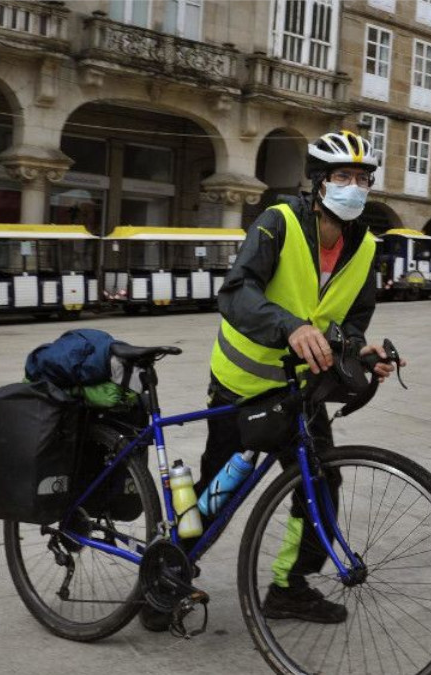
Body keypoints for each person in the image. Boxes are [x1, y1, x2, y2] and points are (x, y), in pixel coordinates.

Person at [138, 131, 403, 632]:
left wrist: (359, 352)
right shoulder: (278, 223)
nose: (354, 187)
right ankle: (166, 577)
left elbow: (352, 319)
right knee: (219, 491)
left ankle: (289, 587)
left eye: (362, 179)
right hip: (240, 384)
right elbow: (236, 293)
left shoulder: (365, 246)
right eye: (343, 177)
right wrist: (291, 327)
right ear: (320, 184)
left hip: (302, 390)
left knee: (320, 482)